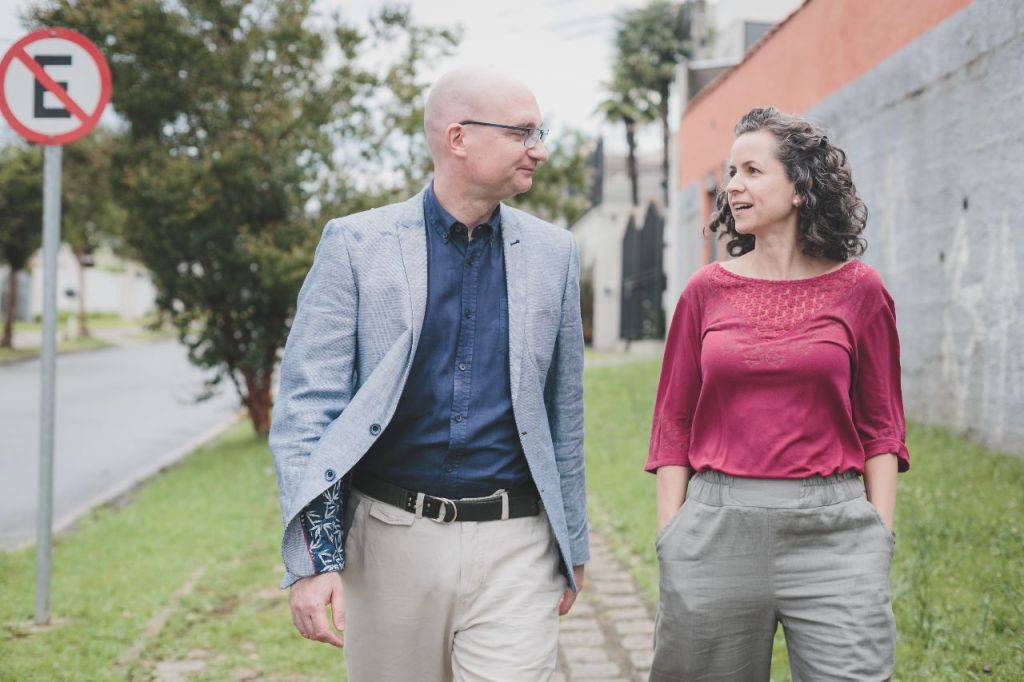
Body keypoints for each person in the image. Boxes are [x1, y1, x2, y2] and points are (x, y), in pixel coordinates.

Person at [268, 68, 588, 682]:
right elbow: (310, 410)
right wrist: (314, 560)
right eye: (523, 133)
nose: (539, 149)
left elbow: (563, 414)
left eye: (539, 132)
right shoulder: (355, 245)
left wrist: (573, 544)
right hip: (388, 539)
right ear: (459, 138)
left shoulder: (556, 255)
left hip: (516, 542)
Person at [646, 106, 908, 681]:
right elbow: (672, 425)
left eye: (752, 171)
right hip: (715, 534)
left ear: (800, 187)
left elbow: (882, 427)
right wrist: (674, 539)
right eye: (730, 173)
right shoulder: (703, 292)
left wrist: (877, 539)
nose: (733, 185)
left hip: (835, 537)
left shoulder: (861, 290)